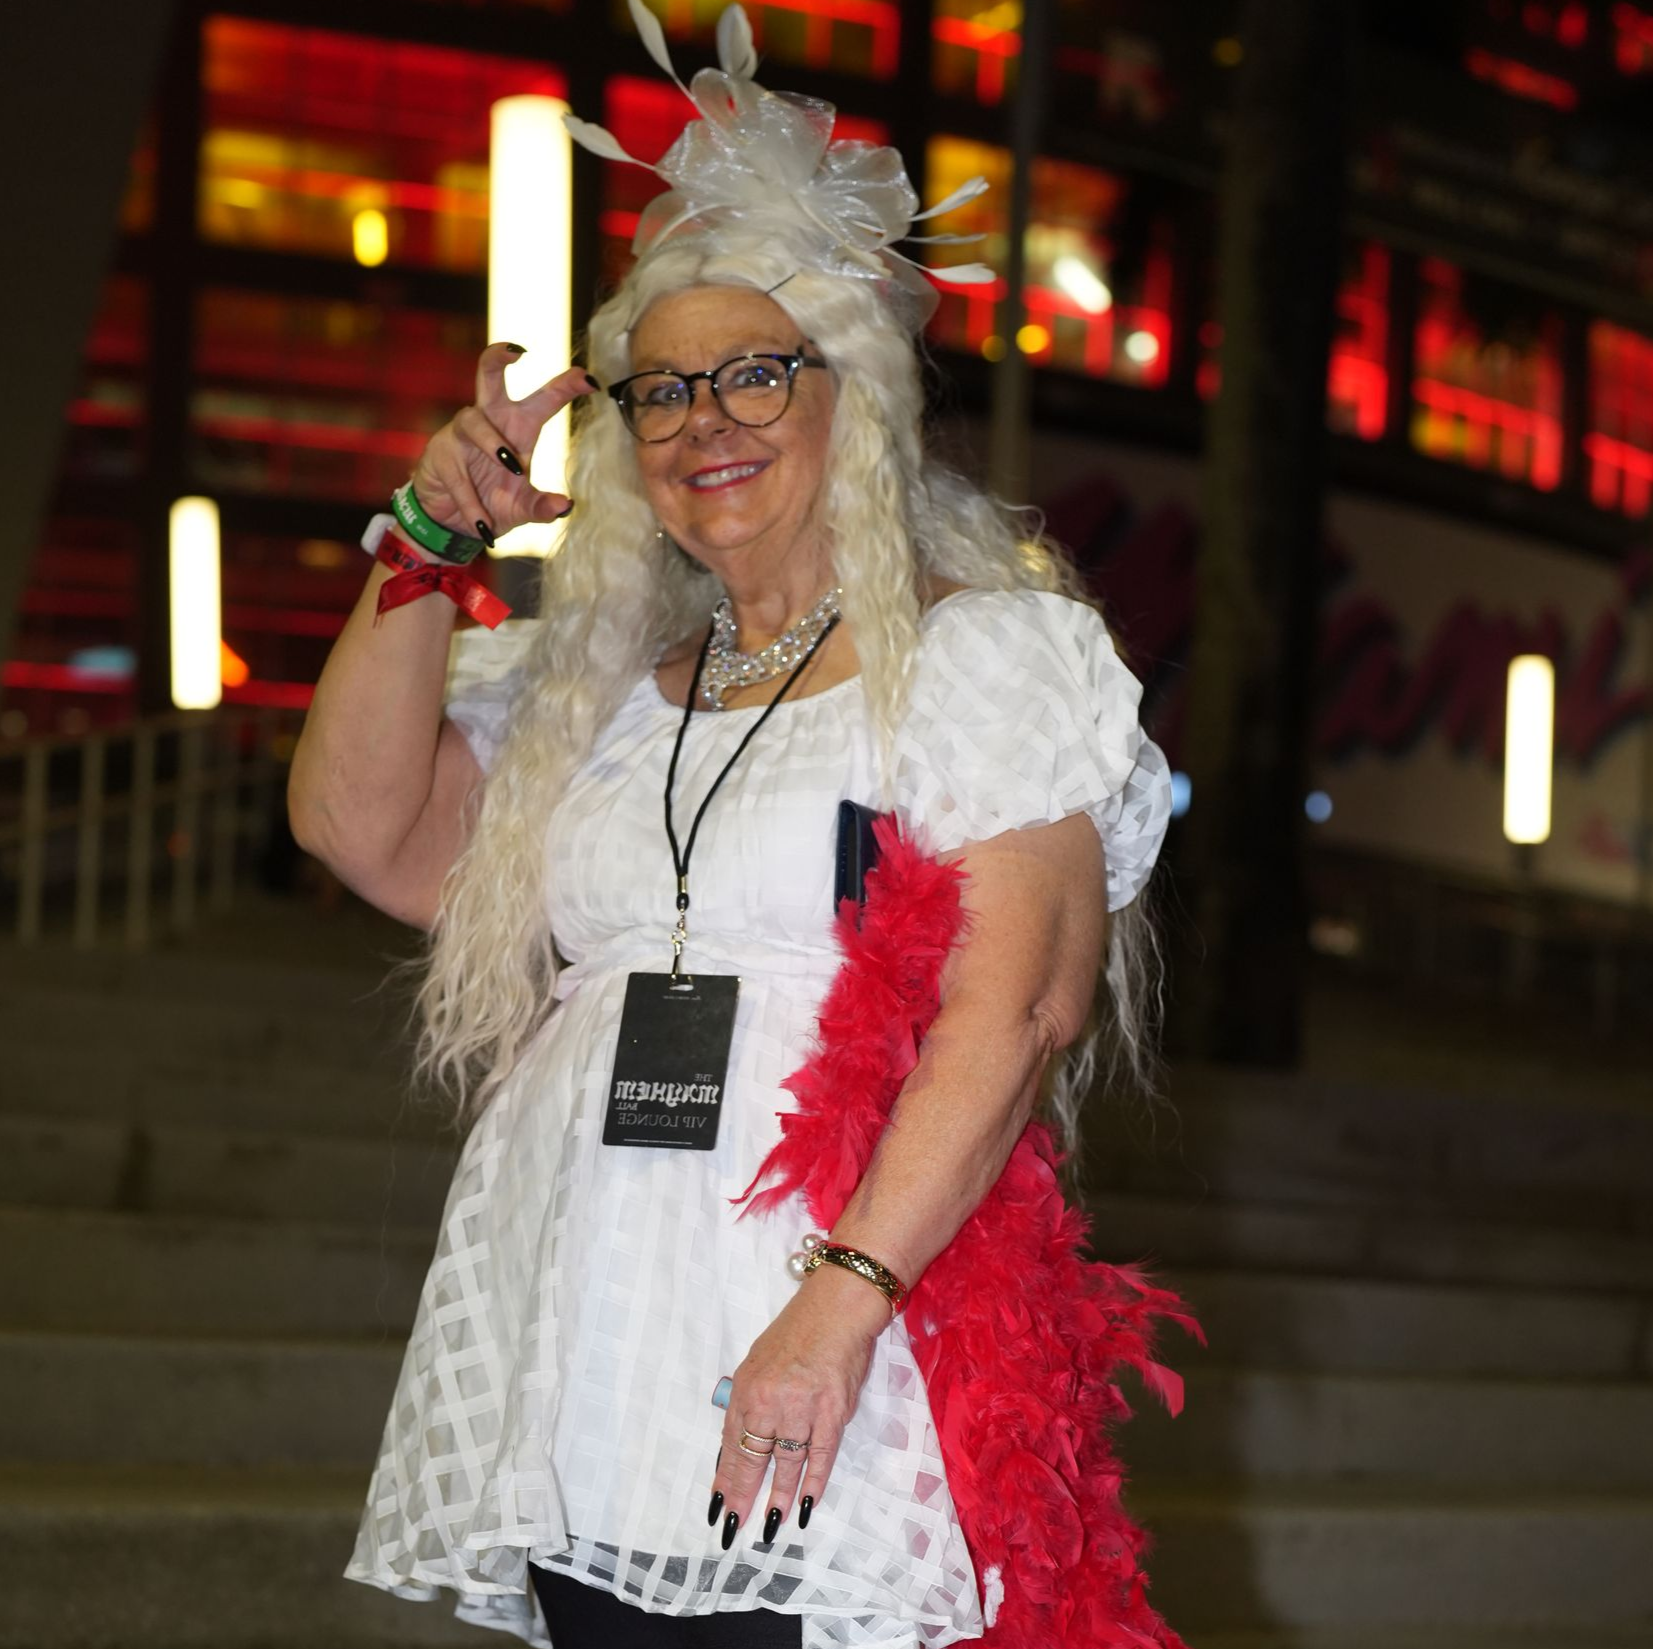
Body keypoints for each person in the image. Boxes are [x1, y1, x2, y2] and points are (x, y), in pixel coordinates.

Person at [289, 6, 1191, 1645]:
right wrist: (424, 545)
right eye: (662, 391)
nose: (705, 421)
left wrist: (838, 1305)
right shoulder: (599, 689)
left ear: (855, 396)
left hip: (842, 1303)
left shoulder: (981, 654)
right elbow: (364, 830)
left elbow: (1022, 1007)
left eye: (756, 373)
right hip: (589, 1307)